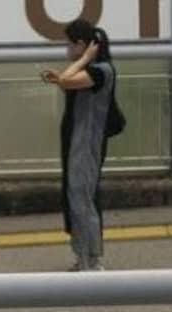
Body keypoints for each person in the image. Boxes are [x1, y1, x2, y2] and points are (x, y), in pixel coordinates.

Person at [41, 19, 116, 272]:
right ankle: (82, 256)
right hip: (76, 142)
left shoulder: (101, 71)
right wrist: (62, 76)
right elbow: (66, 81)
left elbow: (66, 80)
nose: (66, 49)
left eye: (69, 44)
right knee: (75, 197)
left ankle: (92, 260)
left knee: (82, 198)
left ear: (82, 45)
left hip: (86, 144)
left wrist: (84, 59)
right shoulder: (91, 70)